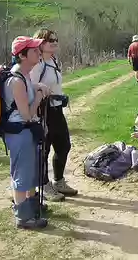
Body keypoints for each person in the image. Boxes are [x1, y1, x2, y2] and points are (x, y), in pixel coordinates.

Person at [4, 36, 51, 229]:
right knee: (22, 174)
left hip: (25, 133)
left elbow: (26, 90)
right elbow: (26, 115)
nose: (38, 52)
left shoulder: (23, 75)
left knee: (30, 171)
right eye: (33, 50)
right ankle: (23, 217)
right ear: (22, 55)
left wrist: (36, 86)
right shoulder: (16, 80)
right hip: (20, 133)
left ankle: (32, 206)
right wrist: (39, 97)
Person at [30, 29, 78, 202]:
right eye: (50, 40)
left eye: (56, 39)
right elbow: (30, 85)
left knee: (64, 145)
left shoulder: (54, 60)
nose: (54, 42)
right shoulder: (38, 62)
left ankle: (59, 181)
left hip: (57, 109)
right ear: (40, 42)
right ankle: (43, 185)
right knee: (44, 149)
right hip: (43, 111)